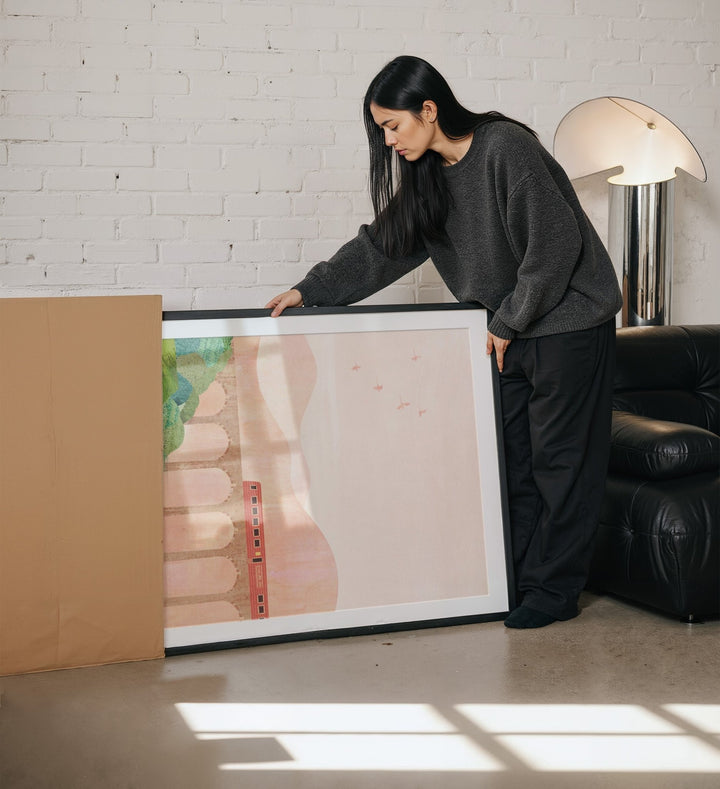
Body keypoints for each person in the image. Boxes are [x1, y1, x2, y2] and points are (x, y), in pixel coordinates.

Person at [266, 55, 623, 629]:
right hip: (508, 330)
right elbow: (383, 247)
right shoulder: (428, 175)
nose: (389, 141)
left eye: (393, 126)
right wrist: (312, 290)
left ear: (428, 110)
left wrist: (508, 320)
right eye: (382, 130)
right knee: (512, 464)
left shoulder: (504, 148)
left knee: (562, 465)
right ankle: (515, 583)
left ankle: (554, 592)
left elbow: (555, 245)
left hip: (567, 321)